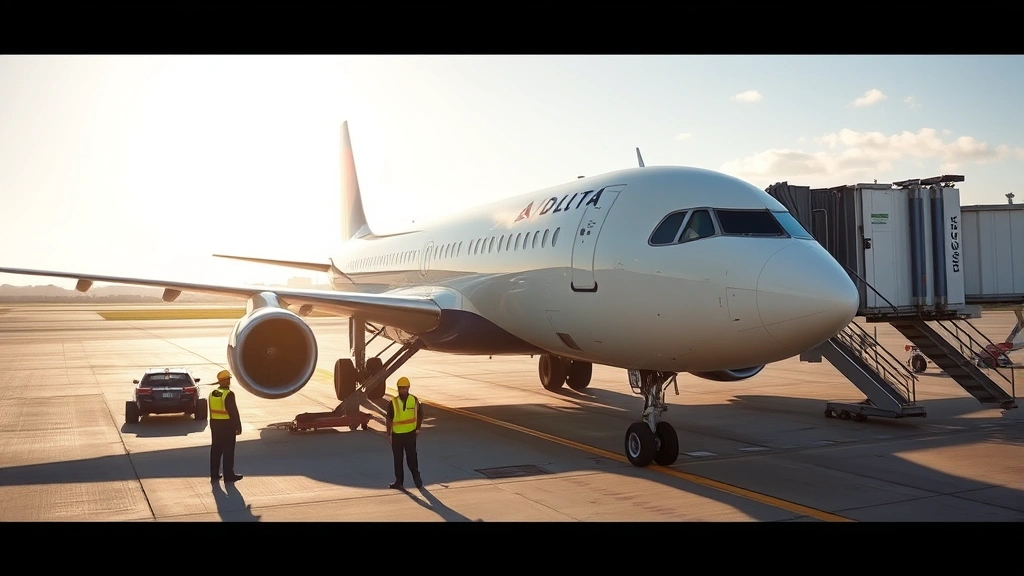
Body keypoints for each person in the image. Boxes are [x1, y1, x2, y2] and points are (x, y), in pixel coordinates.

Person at [386, 376, 423, 489]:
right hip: (397, 436)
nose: (402, 390)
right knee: (398, 459)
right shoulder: (393, 402)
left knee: (412, 458)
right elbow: (389, 418)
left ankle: (417, 478)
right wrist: (389, 434)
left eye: (404, 388)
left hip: (410, 434)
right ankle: (399, 481)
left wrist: (417, 428)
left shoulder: (414, 400)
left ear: (408, 388)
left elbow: (420, 414)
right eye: (400, 388)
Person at [208, 369, 243, 482]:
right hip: (227, 426)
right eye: (228, 379)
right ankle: (228, 475)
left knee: (216, 450)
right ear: (225, 381)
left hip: (215, 425)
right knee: (228, 451)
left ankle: (214, 474)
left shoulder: (212, 393)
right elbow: (233, 412)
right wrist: (238, 426)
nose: (229, 382)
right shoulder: (228, 394)